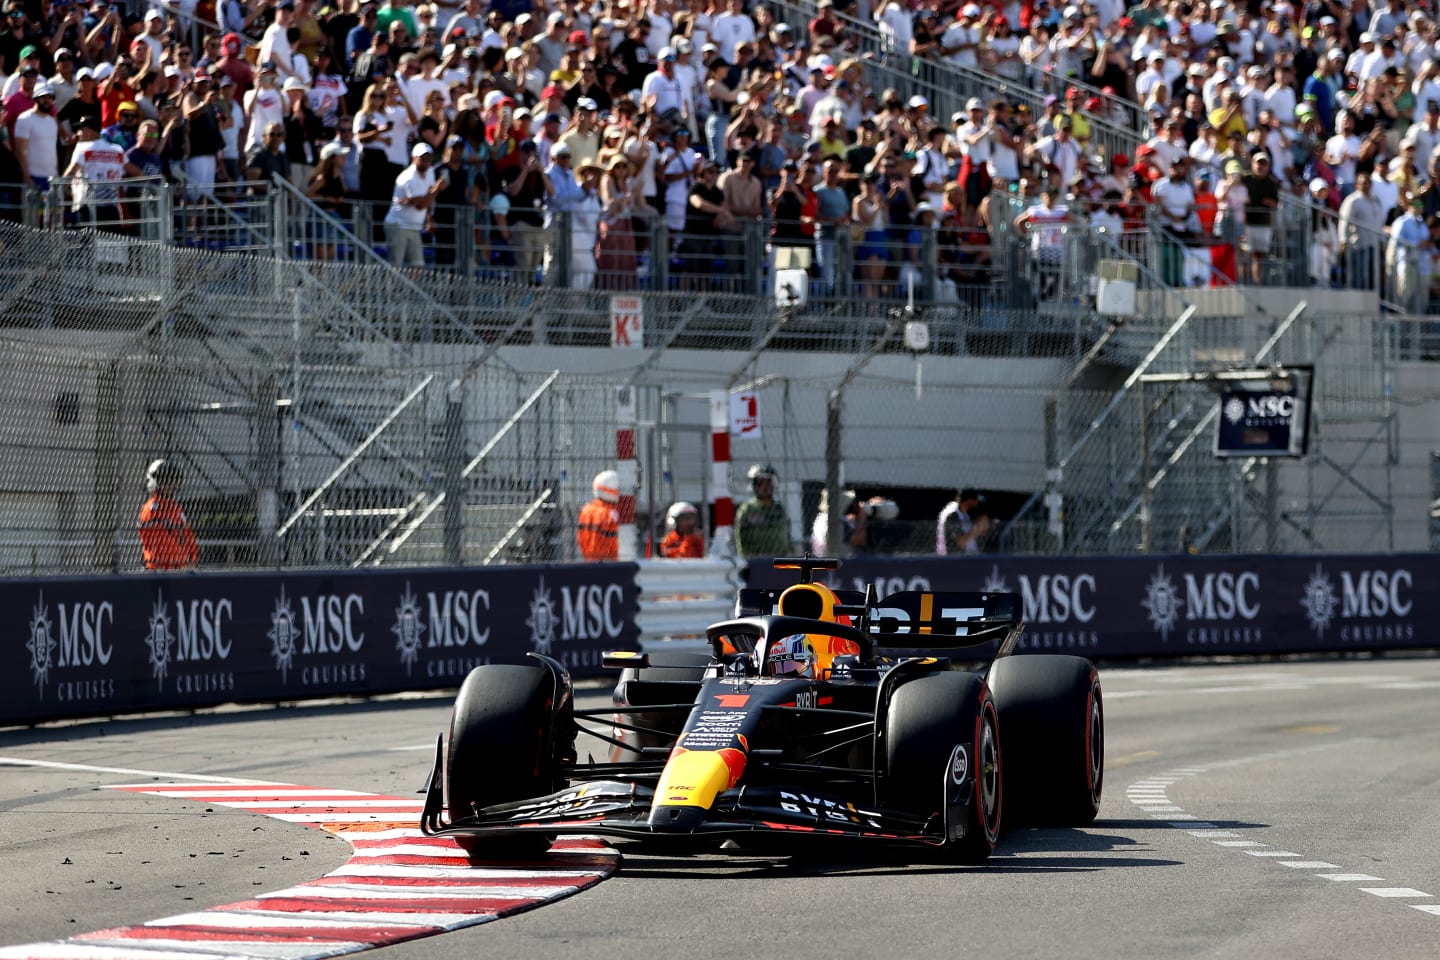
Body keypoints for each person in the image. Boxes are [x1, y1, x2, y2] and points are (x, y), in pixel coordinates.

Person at [137, 458, 198, 571]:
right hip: (159, 569)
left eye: (174, 480)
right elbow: (161, 541)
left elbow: (189, 536)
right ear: (155, 481)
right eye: (166, 481)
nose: (171, 485)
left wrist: (192, 559)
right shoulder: (151, 509)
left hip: (180, 567)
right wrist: (181, 561)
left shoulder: (175, 508)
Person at [734, 463, 789, 558]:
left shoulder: (779, 510)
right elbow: (739, 537)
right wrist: (744, 559)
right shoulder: (747, 509)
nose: (765, 487)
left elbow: (786, 537)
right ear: (754, 485)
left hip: (778, 560)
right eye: (760, 483)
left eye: (768, 482)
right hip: (755, 560)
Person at [577, 469, 621, 561]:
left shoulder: (585, 511)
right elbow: (617, 543)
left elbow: (580, 539)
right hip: (611, 563)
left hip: (589, 560)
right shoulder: (611, 514)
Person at [936, 487, 990, 555]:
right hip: (958, 558)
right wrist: (977, 530)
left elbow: (985, 527)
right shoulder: (952, 516)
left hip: (977, 558)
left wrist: (980, 528)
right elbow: (960, 542)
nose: (978, 503)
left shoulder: (973, 515)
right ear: (969, 500)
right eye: (976, 500)